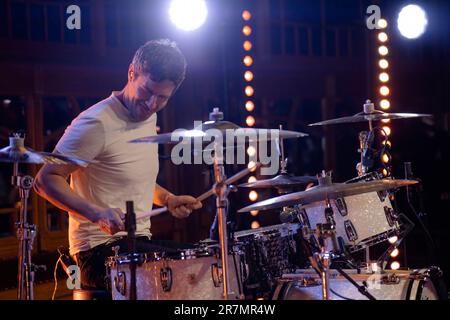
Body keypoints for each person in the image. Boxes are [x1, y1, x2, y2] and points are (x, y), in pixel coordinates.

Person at [34, 39, 202, 292]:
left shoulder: (147, 114)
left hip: (137, 242)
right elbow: (45, 180)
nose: (151, 104)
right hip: (98, 252)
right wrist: (97, 213)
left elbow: (129, 176)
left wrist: (167, 198)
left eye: (162, 98)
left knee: (204, 260)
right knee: (192, 271)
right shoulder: (96, 122)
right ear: (131, 73)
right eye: (146, 92)